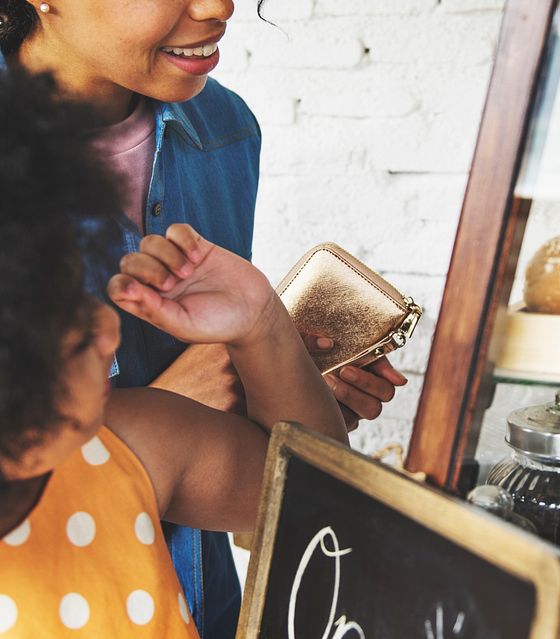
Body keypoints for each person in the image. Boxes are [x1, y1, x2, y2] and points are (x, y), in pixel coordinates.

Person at [0, 1, 406, 635]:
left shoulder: (224, 129)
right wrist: (157, 410)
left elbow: (304, 501)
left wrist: (273, 364)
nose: (220, 6)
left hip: (200, 599)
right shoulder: (136, 444)